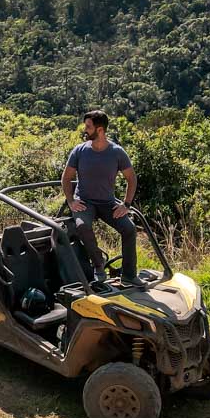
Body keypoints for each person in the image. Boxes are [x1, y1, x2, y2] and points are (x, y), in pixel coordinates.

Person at [61, 109, 141, 286]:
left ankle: (129, 275)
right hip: (85, 202)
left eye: (88, 127)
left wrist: (126, 204)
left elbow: (131, 178)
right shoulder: (79, 151)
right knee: (82, 226)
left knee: (129, 229)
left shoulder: (117, 152)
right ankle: (98, 264)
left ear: (100, 130)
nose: (85, 130)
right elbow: (66, 178)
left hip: (107, 202)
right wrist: (71, 200)